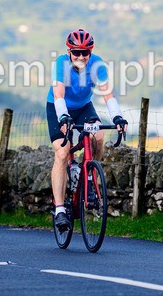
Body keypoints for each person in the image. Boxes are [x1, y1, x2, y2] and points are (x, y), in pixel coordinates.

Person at [46, 28, 128, 231]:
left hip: (84, 107)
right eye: (76, 52)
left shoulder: (97, 64)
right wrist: (63, 116)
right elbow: (59, 95)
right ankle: (60, 210)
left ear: (91, 53)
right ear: (69, 51)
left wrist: (117, 116)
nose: (81, 56)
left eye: (85, 52)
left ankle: (89, 176)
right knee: (63, 152)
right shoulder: (61, 64)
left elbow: (107, 94)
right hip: (59, 106)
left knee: (98, 137)